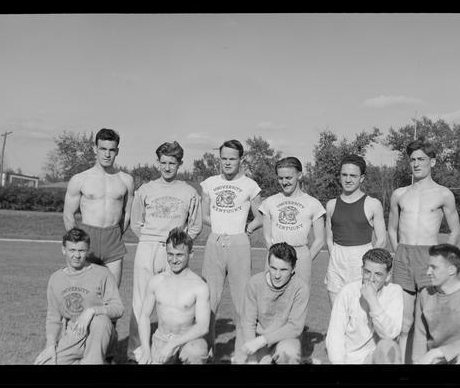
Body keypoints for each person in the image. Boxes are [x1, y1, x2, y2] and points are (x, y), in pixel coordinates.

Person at [127, 141, 202, 362]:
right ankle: (136, 352)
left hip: (174, 251)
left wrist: (178, 244)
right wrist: (150, 240)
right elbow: (135, 222)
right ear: (157, 162)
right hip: (148, 247)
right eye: (163, 162)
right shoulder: (146, 189)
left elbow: (195, 226)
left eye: (172, 163)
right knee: (140, 301)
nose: (167, 167)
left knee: (174, 300)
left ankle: (174, 349)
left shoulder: (189, 192)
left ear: (179, 163)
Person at [388, 137, 460, 361]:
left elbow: (455, 231)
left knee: (429, 320)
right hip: (404, 256)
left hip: (430, 257)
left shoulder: (444, 194)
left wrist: (444, 261)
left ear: (433, 162)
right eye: (412, 160)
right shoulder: (399, 194)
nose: (416, 164)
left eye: (421, 159)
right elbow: (392, 228)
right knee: (404, 322)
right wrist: (398, 253)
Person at [200, 139, 262, 361]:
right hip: (215, 241)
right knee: (208, 300)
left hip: (239, 244)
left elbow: (260, 216)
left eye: (232, 159)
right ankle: (205, 351)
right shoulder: (209, 183)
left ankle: (241, 354)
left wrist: (246, 228)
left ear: (241, 160)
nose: (227, 163)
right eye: (223, 158)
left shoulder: (250, 185)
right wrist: (219, 225)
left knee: (242, 303)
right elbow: (204, 215)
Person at [33, 228, 124, 365]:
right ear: (64, 250)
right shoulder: (56, 279)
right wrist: (51, 345)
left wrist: (92, 311)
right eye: (72, 250)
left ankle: (95, 360)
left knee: (100, 320)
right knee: (44, 362)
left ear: (87, 250)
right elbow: (53, 317)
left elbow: (118, 308)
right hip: (74, 335)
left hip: (100, 334)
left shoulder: (102, 274)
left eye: (81, 250)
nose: (76, 255)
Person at [63, 128, 135, 288]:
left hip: (113, 239)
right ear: (95, 149)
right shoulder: (80, 179)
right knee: (84, 292)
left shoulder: (126, 180)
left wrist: (115, 233)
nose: (107, 154)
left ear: (117, 151)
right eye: (103, 149)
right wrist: (76, 243)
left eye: (111, 150)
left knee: (112, 294)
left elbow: (127, 214)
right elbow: (68, 214)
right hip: (88, 238)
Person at [138, 228, 210, 364]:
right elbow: (144, 317)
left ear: (191, 254)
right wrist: (146, 350)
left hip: (188, 341)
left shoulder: (200, 286)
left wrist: (172, 344)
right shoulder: (156, 281)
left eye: (179, 255)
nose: (174, 260)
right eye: (170, 254)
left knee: (196, 352)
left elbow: (203, 326)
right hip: (161, 339)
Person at [325, 154, 387, 305]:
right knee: (337, 312)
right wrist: (335, 255)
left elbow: (381, 239)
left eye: (353, 175)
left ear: (362, 178)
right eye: (344, 175)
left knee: (361, 313)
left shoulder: (373, 204)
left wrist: (370, 263)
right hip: (337, 260)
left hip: (362, 259)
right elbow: (329, 237)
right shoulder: (331, 205)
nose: (348, 179)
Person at [412, 243, 460, 364]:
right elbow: (420, 337)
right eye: (428, 267)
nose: (428, 272)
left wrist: (436, 353)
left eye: (434, 267)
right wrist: (418, 361)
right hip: (436, 359)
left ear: (451, 270)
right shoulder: (424, 294)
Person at [325, 248, 403, 364]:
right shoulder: (348, 292)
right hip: (350, 359)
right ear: (362, 271)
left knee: (388, 347)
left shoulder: (394, 292)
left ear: (388, 276)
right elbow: (335, 336)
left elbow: (390, 334)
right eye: (367, 272)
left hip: (377, 357)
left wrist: (372, 300)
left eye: (378, 274)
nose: (371, 279)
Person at [237, 242, 310, 364]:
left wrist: (263, 340)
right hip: (257, 340)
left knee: (288, 354)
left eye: (283, 270)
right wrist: (252, 355)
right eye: (273, 268)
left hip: (285, 339)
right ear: (268, 265)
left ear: (293, 269)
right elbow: (248, 321)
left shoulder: (300, 288)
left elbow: (295, 327)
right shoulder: (254, 283)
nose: (277, 275)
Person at [258, 157, 325, 286]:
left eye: (289, 178)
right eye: (280, 178)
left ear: (299, 175)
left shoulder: (313, 203)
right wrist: (276, 258)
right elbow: (266, 237)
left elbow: (320, 240)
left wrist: (304, 260)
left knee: (299, 301)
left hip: (300, 256)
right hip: (275, 255)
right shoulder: (269, 202)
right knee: (269, 300)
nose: (284, 182)